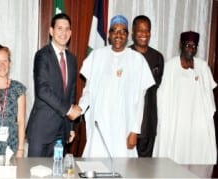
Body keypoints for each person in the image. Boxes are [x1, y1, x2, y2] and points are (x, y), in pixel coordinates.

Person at [78, 15, 155, 157]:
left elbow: (140, 100)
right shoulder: (97, 56)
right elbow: (88, 90)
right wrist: (80, 108)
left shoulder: (137, 60)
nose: (118, 35)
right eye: (115, 30)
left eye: (123, 31)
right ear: (109, 34)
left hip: (124, 127)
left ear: (127, 35)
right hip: (100, 124)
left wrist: (134, 130)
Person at [153, 31, 217, 164]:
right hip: (175, 122)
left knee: (196, 157)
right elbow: (161, 96)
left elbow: (209, 97)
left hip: (197, 123)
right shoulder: (170, 66)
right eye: (188, 45)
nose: (191, 49)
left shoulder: (203, 67)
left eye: (194, 46)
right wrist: (163, 121)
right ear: (181, 45)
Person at [26, 13, 81, 157]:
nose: (63, 33)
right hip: (41, 130)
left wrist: (71, 127)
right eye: (59, 28)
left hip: (61, 131)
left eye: (67, 29)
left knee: (56, 174)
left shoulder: (72, 59)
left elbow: (71, 94)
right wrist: (69, 110)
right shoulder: (42, 55)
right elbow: (42, 90)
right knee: (34, 173)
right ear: (51, 31)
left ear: (71, 33)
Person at [129, 15, 164, 157]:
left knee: (145, 167)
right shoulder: (127, 55)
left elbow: (157, 86)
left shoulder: (158, 57)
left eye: (147, 30)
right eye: (140, 30)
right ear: (133, 32)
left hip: (149, 120)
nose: (144, 34)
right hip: (129, 120)